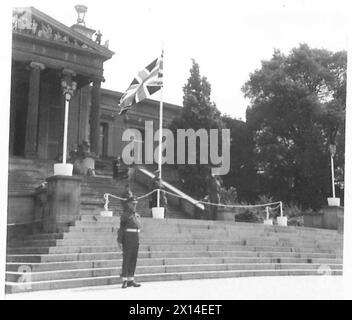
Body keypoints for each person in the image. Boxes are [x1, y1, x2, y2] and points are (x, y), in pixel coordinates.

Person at [117, 192, 142, 289]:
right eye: (133, 204)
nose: (135, 205)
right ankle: (124, 280)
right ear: (128, 204)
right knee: (127, 259)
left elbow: (139, 227)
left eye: (136, 204)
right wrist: (119, 240)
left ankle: (131, 279)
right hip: (127, 239)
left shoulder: (136, 215)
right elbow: (121, 228)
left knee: (133, 259)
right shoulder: (125, 215)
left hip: (136, 238)